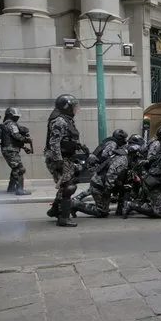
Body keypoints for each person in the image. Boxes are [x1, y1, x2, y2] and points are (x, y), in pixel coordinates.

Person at [44, 94, 85, 227]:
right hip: (58, 158)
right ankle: (63, 218)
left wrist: (78, 146)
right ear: (66, 107)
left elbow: (67, 138)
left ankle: (55, 210)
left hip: (66, 157)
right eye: (74, 107)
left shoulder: (67, 119)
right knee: (68, 187)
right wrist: (58, 161)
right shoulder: (59, 121)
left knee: (68, 184)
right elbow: (54, 142)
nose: (76, 109)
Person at [73, 143, 142, 218]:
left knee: (126, 188)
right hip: (99, 185)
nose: (137, 159)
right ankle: (75, 204)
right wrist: (108, 189)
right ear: (133, 154)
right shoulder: (123, 160)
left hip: (104, 184)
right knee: (102, 212)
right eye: (136, 156)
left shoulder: (127, 159)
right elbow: (111, 174)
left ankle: (121, 209)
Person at [0, 107, 33, 195]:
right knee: (20, 169)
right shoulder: (11, 124)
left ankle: (11, 188)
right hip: (10, 150)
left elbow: (13, 140)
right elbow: (16, 136)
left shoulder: (8, 123)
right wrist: (26, 140)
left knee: (15, 169)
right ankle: (19, 190)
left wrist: (23, 147)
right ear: (10, 116)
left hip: (10, 149)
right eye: (15, 116)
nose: (17, 118)